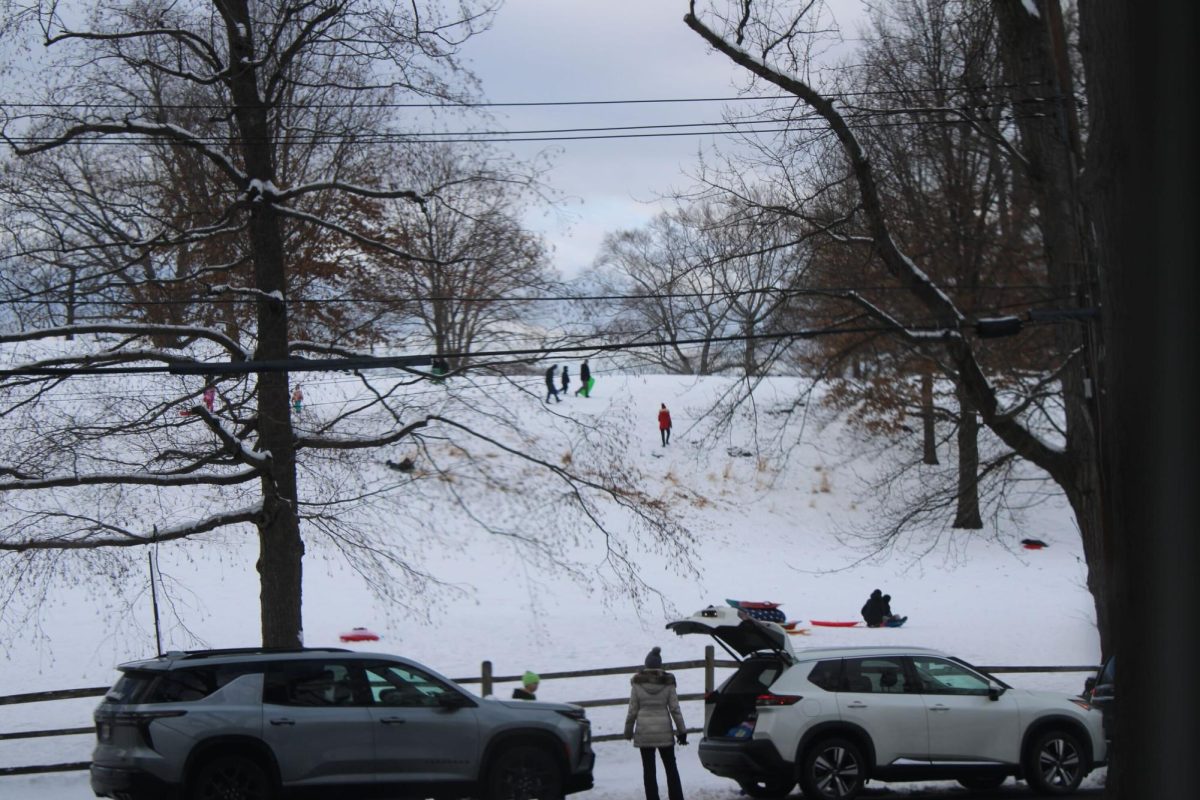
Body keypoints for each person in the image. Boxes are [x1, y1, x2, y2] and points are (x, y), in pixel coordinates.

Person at [624, 646, 686, 800]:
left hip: (644, 733)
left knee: (649, 771)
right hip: (664, 731)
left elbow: (632, 710)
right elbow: (675, 709)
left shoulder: (637, 684)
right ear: (660, 665)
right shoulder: (668, 682)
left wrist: (628, 731)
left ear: (646, 665)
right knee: (671, 768)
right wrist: (682, 731)